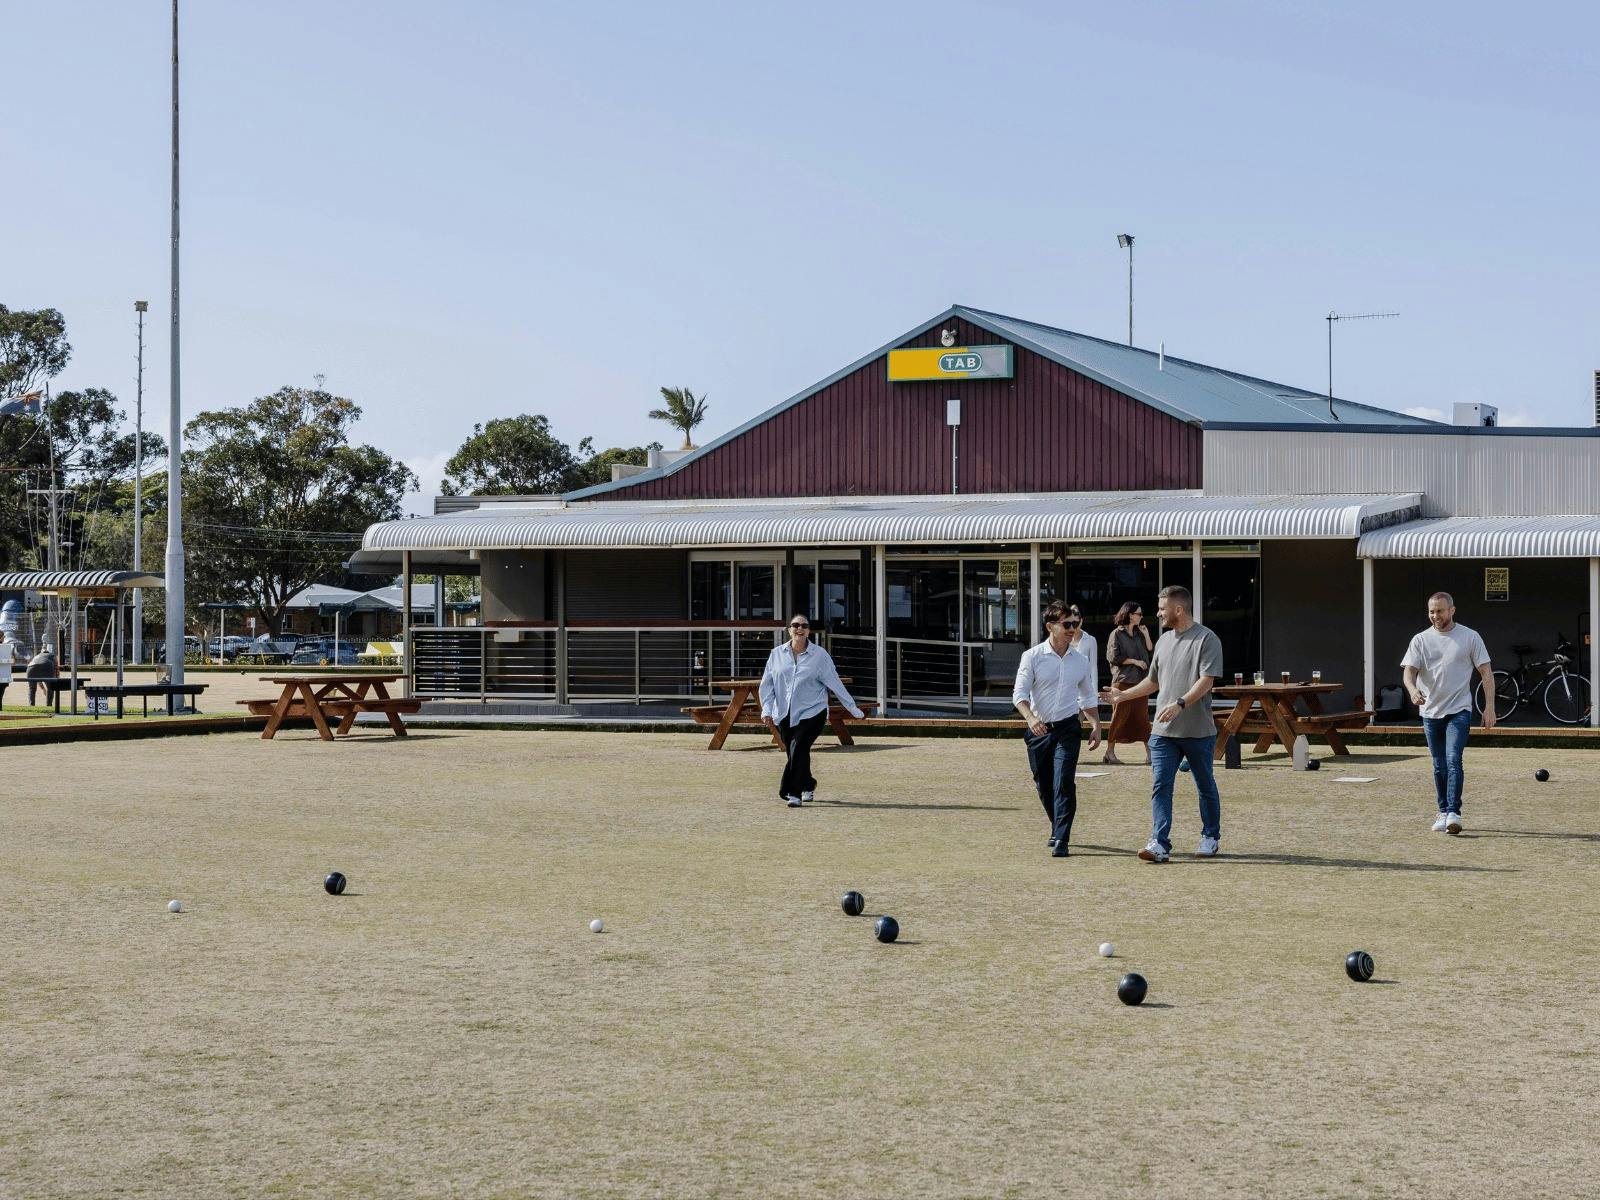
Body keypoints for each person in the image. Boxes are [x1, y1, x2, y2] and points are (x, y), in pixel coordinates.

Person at [1103, 585, 1223, 863]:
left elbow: (1206, 681)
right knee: (1160, 785)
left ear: (1178, 609)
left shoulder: (1207, 639)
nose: (1157, 614)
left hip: (1198, 731)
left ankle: (1210, 836)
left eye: (1161, 609)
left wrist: (1180, 703)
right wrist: (1123, 695)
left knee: (1204, 785)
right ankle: (1159, 843)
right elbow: (1153, 682)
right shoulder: (1164, 641)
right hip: (1163, 732)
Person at [1013, 601, 1103, 858]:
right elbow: (1019, 694)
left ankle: (1063, 838)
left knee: (1063, 781)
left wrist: (1096, 724)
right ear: (1050, 626)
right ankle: (1056, 825)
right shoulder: (1032, 657)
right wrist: (1030, 718)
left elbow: (1087, 697)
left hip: (1067, 728)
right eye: (1067, 624)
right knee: (1044, 783)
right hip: (1039, 729)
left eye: (1075, 623)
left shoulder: (1080, 660)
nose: (1073, 629)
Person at [1402, 591, 1494, 835]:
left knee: (1453, 759)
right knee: (1438, 764)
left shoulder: (1470, 637)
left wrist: (1490, 707)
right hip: (1430, 712)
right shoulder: (1420, 640)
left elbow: (1486, 672)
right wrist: (1412, 691)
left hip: (1459, 709)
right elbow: (1409, 672)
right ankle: (1442, 812)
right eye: (1432, 611)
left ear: (1452, 610)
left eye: (1440, 611)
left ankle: (1454, 812)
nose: (1435, 616)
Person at [759, 613, 864, 808]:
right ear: (789, 629)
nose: (799, 628)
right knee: (796, 752)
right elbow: (767, 686)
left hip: (812, 712)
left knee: (798, 747)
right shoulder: (776, 654)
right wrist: (766, 709)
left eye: (804, 626)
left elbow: (835, 682)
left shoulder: (819, 656)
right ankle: (808, 784)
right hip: (783, 712)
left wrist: (851, 706)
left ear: (808, 631)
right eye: (795, 625)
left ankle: (792, 792)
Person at [1102, 601, 1154, 765]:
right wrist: (1134, 661)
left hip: (1140, 682)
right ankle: (1109, 753)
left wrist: (1146, 634)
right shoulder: (1116, 634)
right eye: (1139, 613)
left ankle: (1150, 755)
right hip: (1122, 682)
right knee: (1119, 717)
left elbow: (1150, 649)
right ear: (1130, 615)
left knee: (1143, 717)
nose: (1141, 616)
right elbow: (1113, 657)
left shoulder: (1139, 633)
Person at [0, 630, 16, 708]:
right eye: (4, 636)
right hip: (3, 677)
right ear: (1, 637)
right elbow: (13, 662)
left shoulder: (6, 648)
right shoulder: (5, 648)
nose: (4, 638)